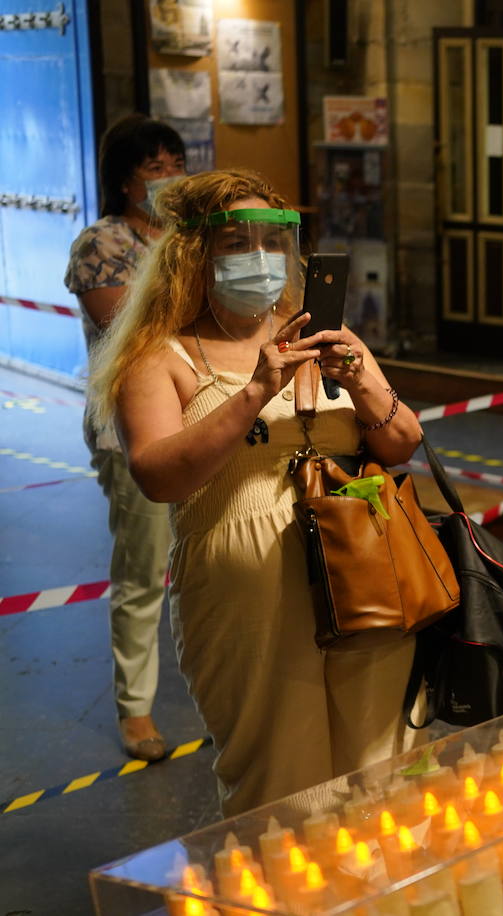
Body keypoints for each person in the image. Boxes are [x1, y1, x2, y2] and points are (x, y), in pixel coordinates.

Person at [87, 169, 423, 815]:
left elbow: (401, 442)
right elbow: (159, 476)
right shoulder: (160, 358)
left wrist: (360, 383)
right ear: (195, 257)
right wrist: (253, 393)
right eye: (239, 245)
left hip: (366, 569)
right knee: (280, 780)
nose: (261, 262)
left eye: (273, 246)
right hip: (248, 595)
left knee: (383, 763)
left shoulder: (324, 339)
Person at [64, 114, 187, 761]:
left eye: (175, 164)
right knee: (143, 574)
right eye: (153, 167)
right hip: (131, 430)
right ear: (123, 178)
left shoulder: (195, 237)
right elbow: (129, 331)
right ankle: (135, 711)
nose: (168, 177)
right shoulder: (99, 245)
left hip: (204, 420)